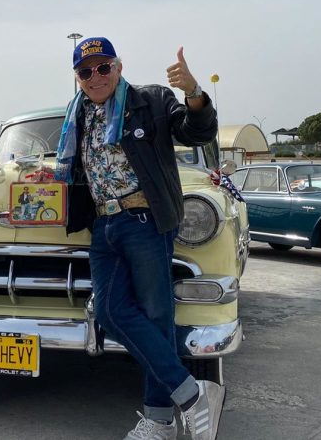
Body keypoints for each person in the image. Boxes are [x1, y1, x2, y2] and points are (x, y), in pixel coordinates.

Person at [54, 37, 219, 440]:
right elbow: (80, 166)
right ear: (77, 77)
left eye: (103, 67)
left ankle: (160, 420)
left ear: (118, 67)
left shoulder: (152, 100)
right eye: (85, 71)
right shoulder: (77, 115)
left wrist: (193, 92)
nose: (95, 77)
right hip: (103, 224)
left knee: (157, 315)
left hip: (144, 218)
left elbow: (196, 132)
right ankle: (193, 394)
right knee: (109, 312)